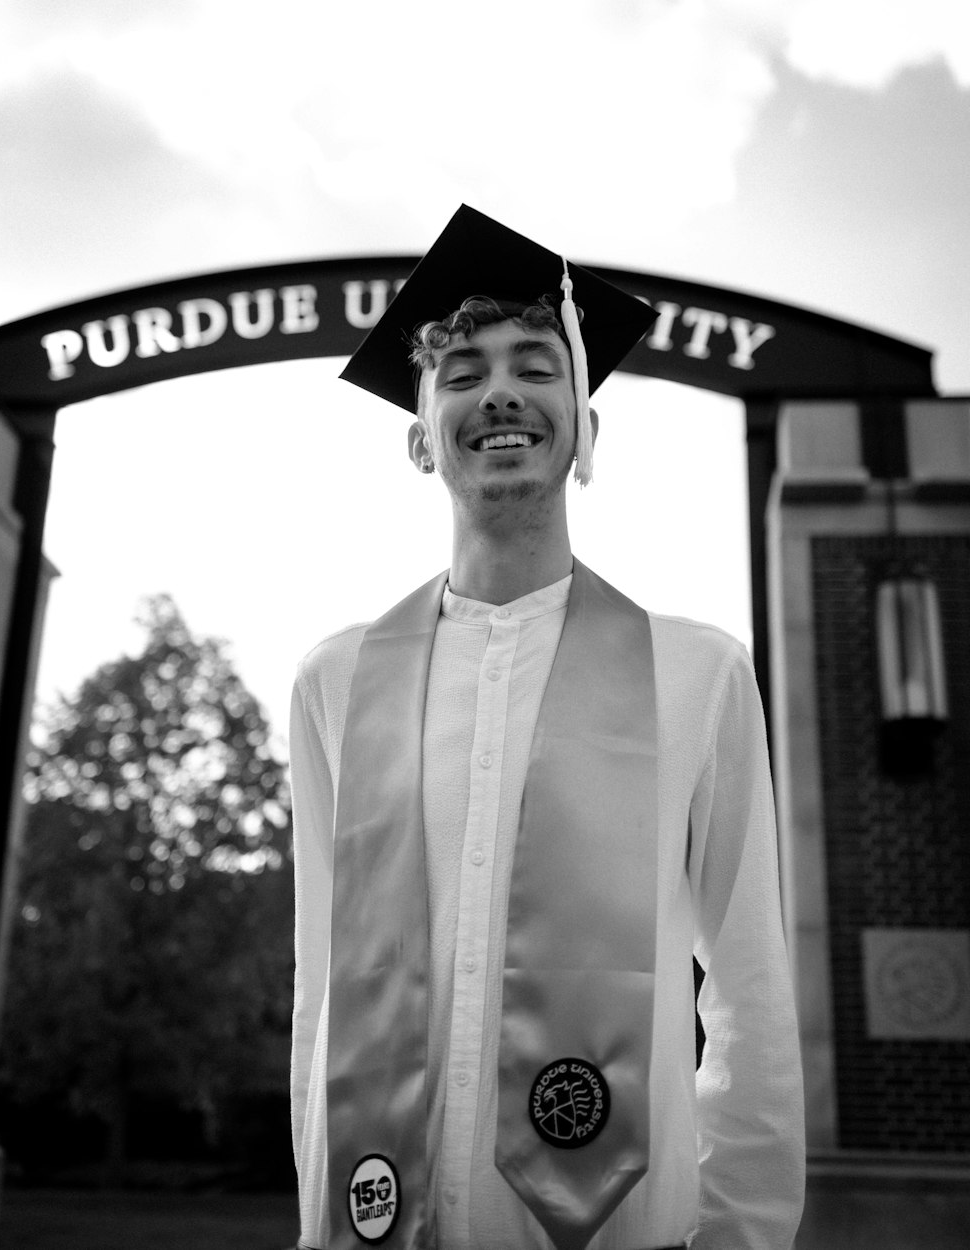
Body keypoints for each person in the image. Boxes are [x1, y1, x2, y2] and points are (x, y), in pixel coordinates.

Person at [289, 205, 805, 1250]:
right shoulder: (335, 680)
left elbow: (748, 987)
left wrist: (744, 1233)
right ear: (418, 440)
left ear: (586, 427)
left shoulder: (695, 673)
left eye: (536, 362)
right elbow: (323, 990)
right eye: (463, 372)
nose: (501, 393)